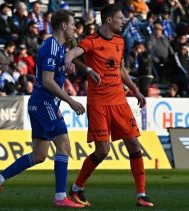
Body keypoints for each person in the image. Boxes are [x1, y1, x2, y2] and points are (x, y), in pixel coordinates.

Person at [0, 10, 85, 208]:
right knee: (63, 145)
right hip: (43, 102)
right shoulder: (50, 47)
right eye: (72, 24)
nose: (75, 28)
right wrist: (70, 101)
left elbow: (52, 76)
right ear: (64, 26)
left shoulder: (58, 48)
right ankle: (59, 197)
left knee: (39, 155)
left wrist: (66, 69)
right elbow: (47, 81)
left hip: (46, 103)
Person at [65, 4, 153, 207]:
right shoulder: (92, 41)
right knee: (103, 150)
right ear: (109, 20)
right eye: (120, 18)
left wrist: (135, 90)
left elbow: (121, 68)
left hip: (119, 101)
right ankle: (77, 188)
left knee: (134, 144)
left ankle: (141, 194)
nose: (123, 21)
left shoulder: (120, 41)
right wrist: (81, 67)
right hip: (98, 103)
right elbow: (71, 54)